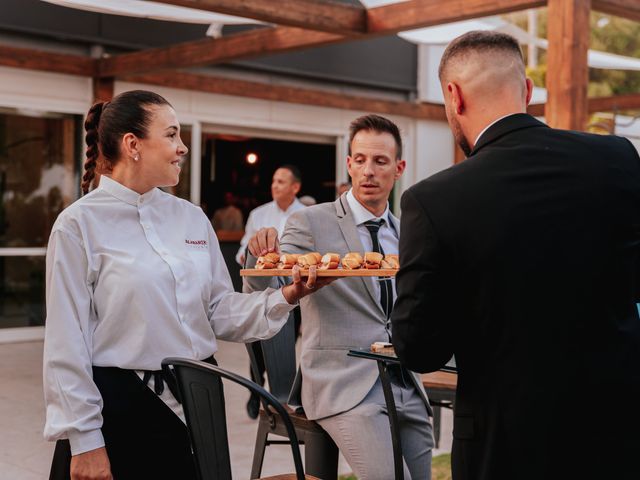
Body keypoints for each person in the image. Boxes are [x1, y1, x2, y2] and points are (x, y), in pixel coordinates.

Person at [43, 90, 330, 480]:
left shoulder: (192, 219)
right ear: (133, 145)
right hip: (121, 407)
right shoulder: (78, 225)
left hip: (198, 399)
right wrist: (84, 439)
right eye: (172, 135)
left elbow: (217, 311)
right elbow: (65, 344)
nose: (183, 148)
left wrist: (288, 295)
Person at [391, 31, 640, 480]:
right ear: (527, 91)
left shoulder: (433, 200)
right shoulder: (618, 159)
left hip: (502, 446)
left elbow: (418, 348)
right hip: (614, 434)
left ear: (454, 96)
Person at [245, 114, 434, 480]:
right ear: (348, 163)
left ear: (399, 168)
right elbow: (267, 287)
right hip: (343, 385)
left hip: (406, 383)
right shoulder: (312, 222)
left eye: (380, 162)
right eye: (360, 160)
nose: (368, 171)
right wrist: (259, 252)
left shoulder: (409, 233)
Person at [235, 165, 304, 266]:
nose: (274, 186)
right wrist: (247, 255)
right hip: (264, 278)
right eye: (273, 181)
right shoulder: (257, 214)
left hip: (299, 277)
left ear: (295, 187)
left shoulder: (307, 214)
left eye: (280, 182)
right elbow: (244, 249)